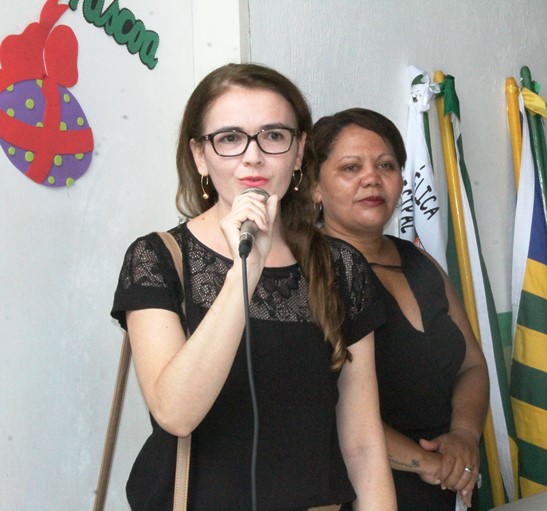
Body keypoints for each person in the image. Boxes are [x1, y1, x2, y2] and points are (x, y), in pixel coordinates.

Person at [111, 64, 396, 510]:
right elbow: (176, 413)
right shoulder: (159, 258)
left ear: (298, 152)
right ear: (199, 155)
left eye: (273, 136)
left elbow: (362, 444)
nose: (253, 156)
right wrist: (244, 273)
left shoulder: (341, 267)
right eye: (229, 138)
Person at [309, 107, 490, 510]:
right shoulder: (310, 274)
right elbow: (325, 407)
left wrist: (463, 435)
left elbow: (472, 365)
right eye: (351, 167)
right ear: (314, 188)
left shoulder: (419, 261)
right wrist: (428, 463)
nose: (372, 178)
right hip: (366, 491)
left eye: (386, 165)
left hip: (450, 484)